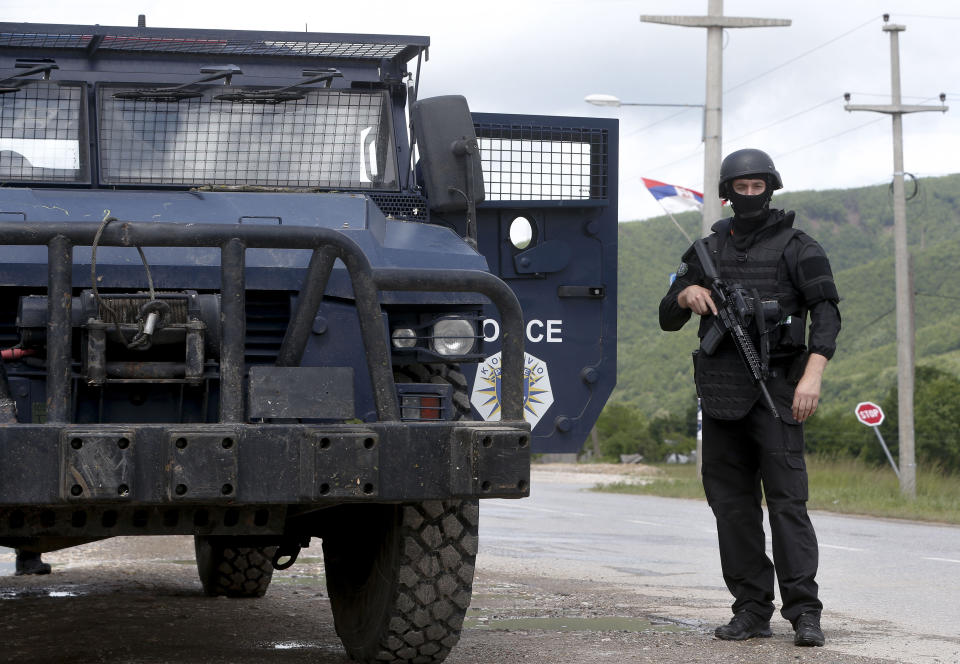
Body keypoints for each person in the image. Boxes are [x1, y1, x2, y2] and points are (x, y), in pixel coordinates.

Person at [659, 149, 840, 648]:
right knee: (733, 508)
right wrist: (685, 295)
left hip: (779, 387)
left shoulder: (799, 247)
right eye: (741, 187)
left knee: (787, 505)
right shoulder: (705, 251)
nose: (749, 194)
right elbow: (666, 316)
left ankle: (804, 613)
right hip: (721, 394)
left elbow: (826, 314)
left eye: (757, 185)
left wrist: (813, 376)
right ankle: (751, 611)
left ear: (771, 187)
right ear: (727, 192)